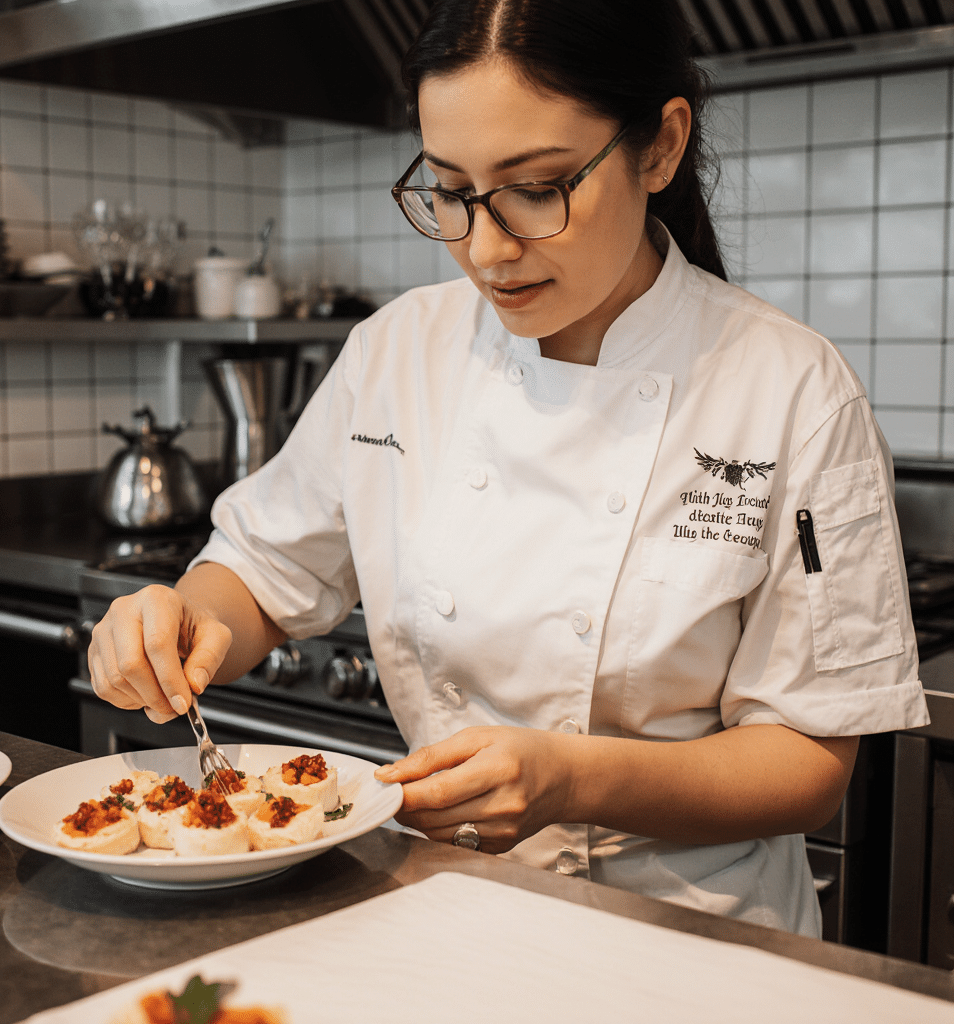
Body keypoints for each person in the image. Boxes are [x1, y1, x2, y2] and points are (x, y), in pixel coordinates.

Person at [89, 0, 929, 937]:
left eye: (537, 188)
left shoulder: (792, 390)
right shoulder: (397, 351)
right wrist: (177, 622)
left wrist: (572, 777)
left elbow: (808, 765)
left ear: (659, 148)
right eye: (450, 191)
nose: (485, 250)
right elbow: (261, 575)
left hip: (691, 944)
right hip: (444, 908)